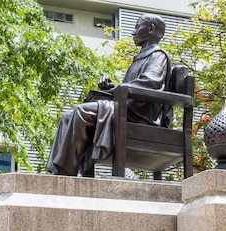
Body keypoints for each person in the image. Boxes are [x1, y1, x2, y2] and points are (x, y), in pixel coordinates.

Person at [47, 14, 170, 176]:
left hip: (139, 115)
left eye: (137, 26)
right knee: (67, 116)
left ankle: (65, 173)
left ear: (151, 29)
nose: (133, 32)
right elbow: (129, 88)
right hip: (126, 109)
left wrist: (116, 89)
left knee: (82, 112)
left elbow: (150, 82)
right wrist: (112, 88)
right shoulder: (140, 58)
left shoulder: (157, 55)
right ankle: (59, 171)